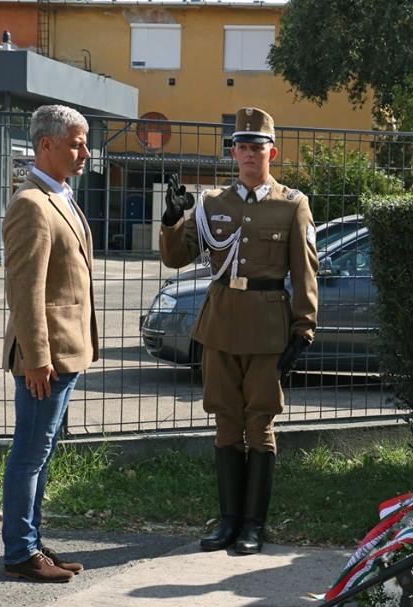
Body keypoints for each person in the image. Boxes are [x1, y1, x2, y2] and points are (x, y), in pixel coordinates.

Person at [159, 107, 318, 555]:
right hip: (221, 324)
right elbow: (177, 257)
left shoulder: (292, 205)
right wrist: (172, 219)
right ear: (234, 152)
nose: (249, 155)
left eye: (257, 148)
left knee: (260, 422)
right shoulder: (212, 205)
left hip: (268, 326)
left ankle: (254, 525)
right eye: (242, 148)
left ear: (273, 152)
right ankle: (228, 520)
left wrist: (304, 327)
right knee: (226, 422)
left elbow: (306, 270)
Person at [1, 105, 98, 582]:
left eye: (85, 142)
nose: (85, 152)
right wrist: (37, 358)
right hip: (47, 359)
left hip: (66, 351)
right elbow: (26, 292)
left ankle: (32, 541)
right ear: (47, 145)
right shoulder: (31, 204)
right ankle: (20, 551)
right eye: (77, 143)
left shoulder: (60, 195)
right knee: (30, 454)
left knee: (41, 453)